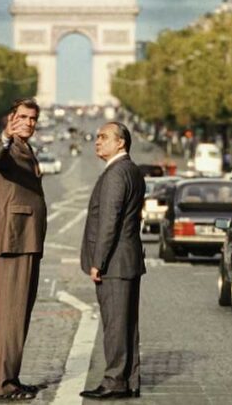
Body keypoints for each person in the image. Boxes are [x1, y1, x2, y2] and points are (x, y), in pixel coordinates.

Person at [79, 122, 145, 400]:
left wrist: (98, 261)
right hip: (127, 259)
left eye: (104, 137)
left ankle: (114, 381)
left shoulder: (115, 173)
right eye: (97, 137)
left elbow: (109, 221)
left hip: (115, 262)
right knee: (127, 324)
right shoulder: (132, 170)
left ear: (121, 143)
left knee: (116, 325)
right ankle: (129, 379)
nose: (97, 141)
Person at [0, 98, 47, 401]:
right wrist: (6, 137)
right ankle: (2, 385)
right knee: (11, 315)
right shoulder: (7, 147)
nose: (28, 123)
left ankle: (11, 378)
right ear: (11, 119)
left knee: (18, 315)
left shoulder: (26, 148)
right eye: (22, 117)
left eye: (33, 118)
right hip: (15, 239)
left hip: (26, 239)